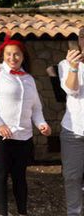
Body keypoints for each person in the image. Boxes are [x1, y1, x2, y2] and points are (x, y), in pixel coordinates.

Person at [0, 35, 50, 216]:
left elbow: (36, 109)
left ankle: (22, 212)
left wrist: (42, 124)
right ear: (3, 55)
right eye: (9, 54)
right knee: (1, 173)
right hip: (0, 133)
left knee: (20, 176)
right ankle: (3, 213)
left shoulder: (29, 79)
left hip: (24, 135)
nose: (12, 58)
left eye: (16, 54)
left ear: (23, 56)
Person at [59, 26, 84, 216]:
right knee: (72, 178)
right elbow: (72, 89)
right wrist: (74, 67)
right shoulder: (65, 65)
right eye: (83, 37)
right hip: (74, 131)